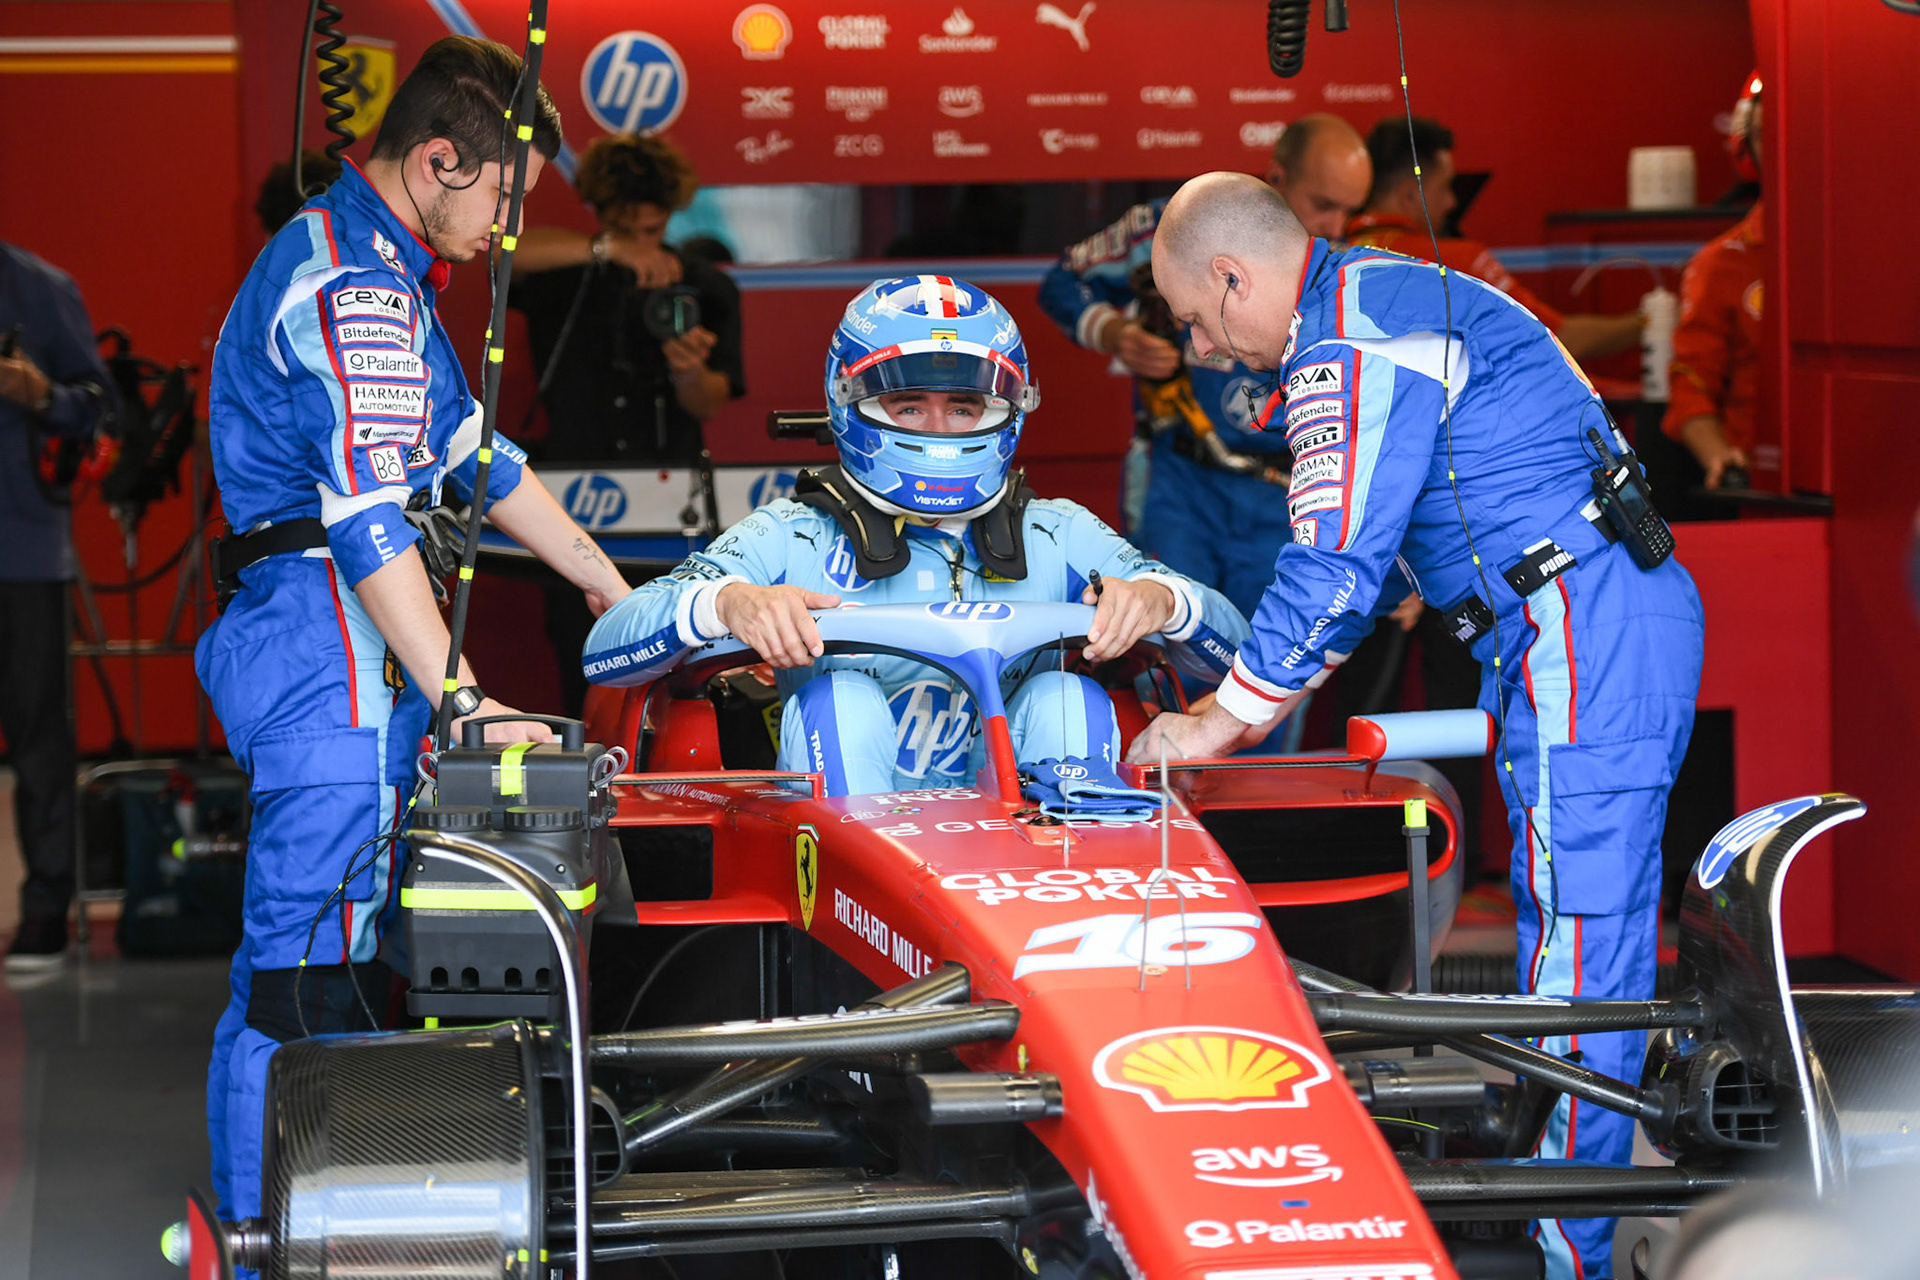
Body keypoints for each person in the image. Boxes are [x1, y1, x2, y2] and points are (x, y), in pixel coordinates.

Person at [1132, 172, 1704, 1280]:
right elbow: (1425, 498)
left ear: (1234, 275)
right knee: (1575, 931)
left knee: (1583, 941)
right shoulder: (1382, 295)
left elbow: (1333, 555)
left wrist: (1220, 720)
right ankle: (1562, 1216)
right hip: (1572, 612)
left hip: (1582, 617)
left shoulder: (1344, 338)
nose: (1203, 349)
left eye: (1200, 319)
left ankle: (1565, 1252)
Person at [196, 36, 631, 1230]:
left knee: (351, 968)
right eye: (501, 194)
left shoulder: (386, 272)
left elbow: (470, 453)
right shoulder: (354, 287)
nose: (505, 224)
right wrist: (464, 696)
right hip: (322, 645)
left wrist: (609, 581)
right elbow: (368, 516)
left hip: (346, 648)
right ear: (438, 159)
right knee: (298, 981)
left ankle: (339, 1224)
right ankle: (264, 1242)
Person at [583, 276, 1248, 792]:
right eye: (908, 405)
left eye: (964, 407)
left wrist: (1163, 602)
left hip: (1025, 863)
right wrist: (726, 602)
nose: (936, 429)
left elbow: (1243, 658)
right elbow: (604, 653)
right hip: (853, 864)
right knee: (841, 700)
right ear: (851, 402)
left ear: (1009, 410)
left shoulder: (1059, 532)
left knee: (1066, 696)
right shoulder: (793, 536)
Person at [1037, 114, 1370, 623]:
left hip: (1290, 496)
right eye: (1324, 205)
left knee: (1270, 658)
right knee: (1164, 642)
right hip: (1180, 481)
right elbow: (1064, 281)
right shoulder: (1181, 226)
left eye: (1350, 211)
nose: (1336, 228)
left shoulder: (1349, 267)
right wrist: (1116, 332)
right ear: (1277, 178)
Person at [508, 133, 746, 717]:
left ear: (670, 214)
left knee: (683, 640)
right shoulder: (569, 270)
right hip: (570, 496)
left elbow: (712, 400)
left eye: (650, 227)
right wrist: (604, 251)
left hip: (673, 502)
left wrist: (687, 371)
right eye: (626, 225)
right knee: (578, 643)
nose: (642, 239)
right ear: (602, 212)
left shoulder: (704, 286)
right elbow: (499, 254)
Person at [0, 243, 116, 971]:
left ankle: (46, 905)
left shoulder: (39, 289)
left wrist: (39, 394)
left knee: (38, 728)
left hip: (19, 551)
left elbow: (103, 409)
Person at [1349, 117, 1645, 364]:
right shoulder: (1459, 261)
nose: (1452, 202)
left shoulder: (1329, 259)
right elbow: (1556, 338)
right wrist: (1650, 323)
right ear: (1410, 195)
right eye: (1446, 187)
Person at [1663, 73, 1764, 490]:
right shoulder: (1721, 264)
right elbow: (1691, 383)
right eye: (1764, 135)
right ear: (1746, 147)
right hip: (1765, 491)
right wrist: (1720, 459)